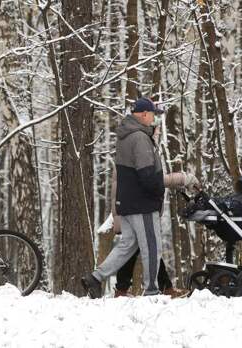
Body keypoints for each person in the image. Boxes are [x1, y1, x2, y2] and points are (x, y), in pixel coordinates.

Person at [82, 97, 196, 298]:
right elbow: (147, 175)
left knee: (127, 245)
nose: (154, 119)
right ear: (144, 114)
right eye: (153, 115)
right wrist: (158, 190)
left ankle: (95, 278)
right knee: (152, 248)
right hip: (141, 203)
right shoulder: (139, 138)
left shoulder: (126, 136)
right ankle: (152, 291)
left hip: (127, 202)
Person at [113, 172, 199, 298]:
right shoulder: (137, 158)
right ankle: (165, 287)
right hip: (138, 213)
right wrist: (184, 178)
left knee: (146, 249)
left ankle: (122, 288)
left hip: (136, 212)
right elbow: (153, 180)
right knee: (150, 249)